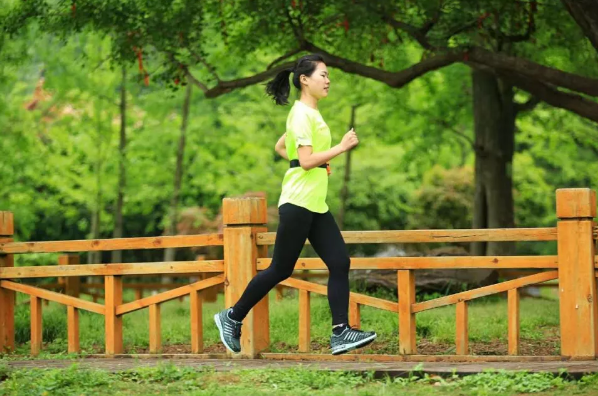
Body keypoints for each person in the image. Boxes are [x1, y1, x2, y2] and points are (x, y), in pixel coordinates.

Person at [214, 54, 376, 355]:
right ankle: (232, 317)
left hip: (315, 204)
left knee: (340, 262)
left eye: (329, 76)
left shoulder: (310, 115)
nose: (328, 81)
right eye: (323, 75)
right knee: (280, 269)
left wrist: (318, 164)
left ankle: (341, 332)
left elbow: (282, 148)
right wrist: (338, 149)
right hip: (299, 202)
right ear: (305, 79)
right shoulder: (302, 114)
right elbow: (303, 161)